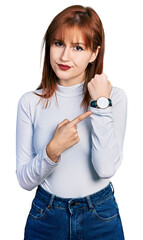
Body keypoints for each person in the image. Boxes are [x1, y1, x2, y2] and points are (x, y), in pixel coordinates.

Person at [16, 5, 127, 240]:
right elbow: (24, 180)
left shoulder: (113, 98)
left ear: (94, 54)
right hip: (46, 218)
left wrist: (101, 104)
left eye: (78, 47)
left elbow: (106, 168)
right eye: (58, 43)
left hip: (100, 217)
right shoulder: (30, 102)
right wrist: (52, 150)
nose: (64, 56)